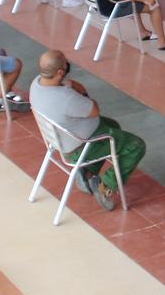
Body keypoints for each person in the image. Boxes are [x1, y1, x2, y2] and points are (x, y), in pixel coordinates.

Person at [29, 49, 146, 211]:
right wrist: (82, 92)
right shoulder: (66, 99)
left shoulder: (36, 84)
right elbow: (94, 109)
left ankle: (87, 173)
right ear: (60, 71)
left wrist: (70, 86)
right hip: (82, 146)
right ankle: (106, 185)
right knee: (136, 146)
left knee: (112, 125)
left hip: (59, 140)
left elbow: (70, 85)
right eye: (65, 62)